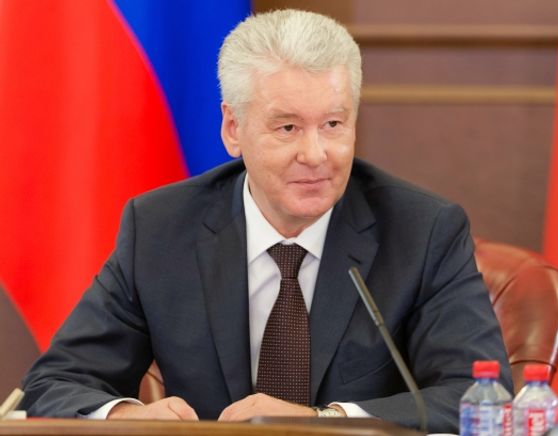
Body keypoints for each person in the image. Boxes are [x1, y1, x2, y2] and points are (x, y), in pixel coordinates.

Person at [20, 9, 512, 432]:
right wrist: (130, 417)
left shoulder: (423, 231)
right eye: (288, 127)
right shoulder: (161, 229)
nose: (315, 154)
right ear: (233, 128)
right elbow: (55, 382)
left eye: (333, 124)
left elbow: (481, 397)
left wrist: (325, 423)